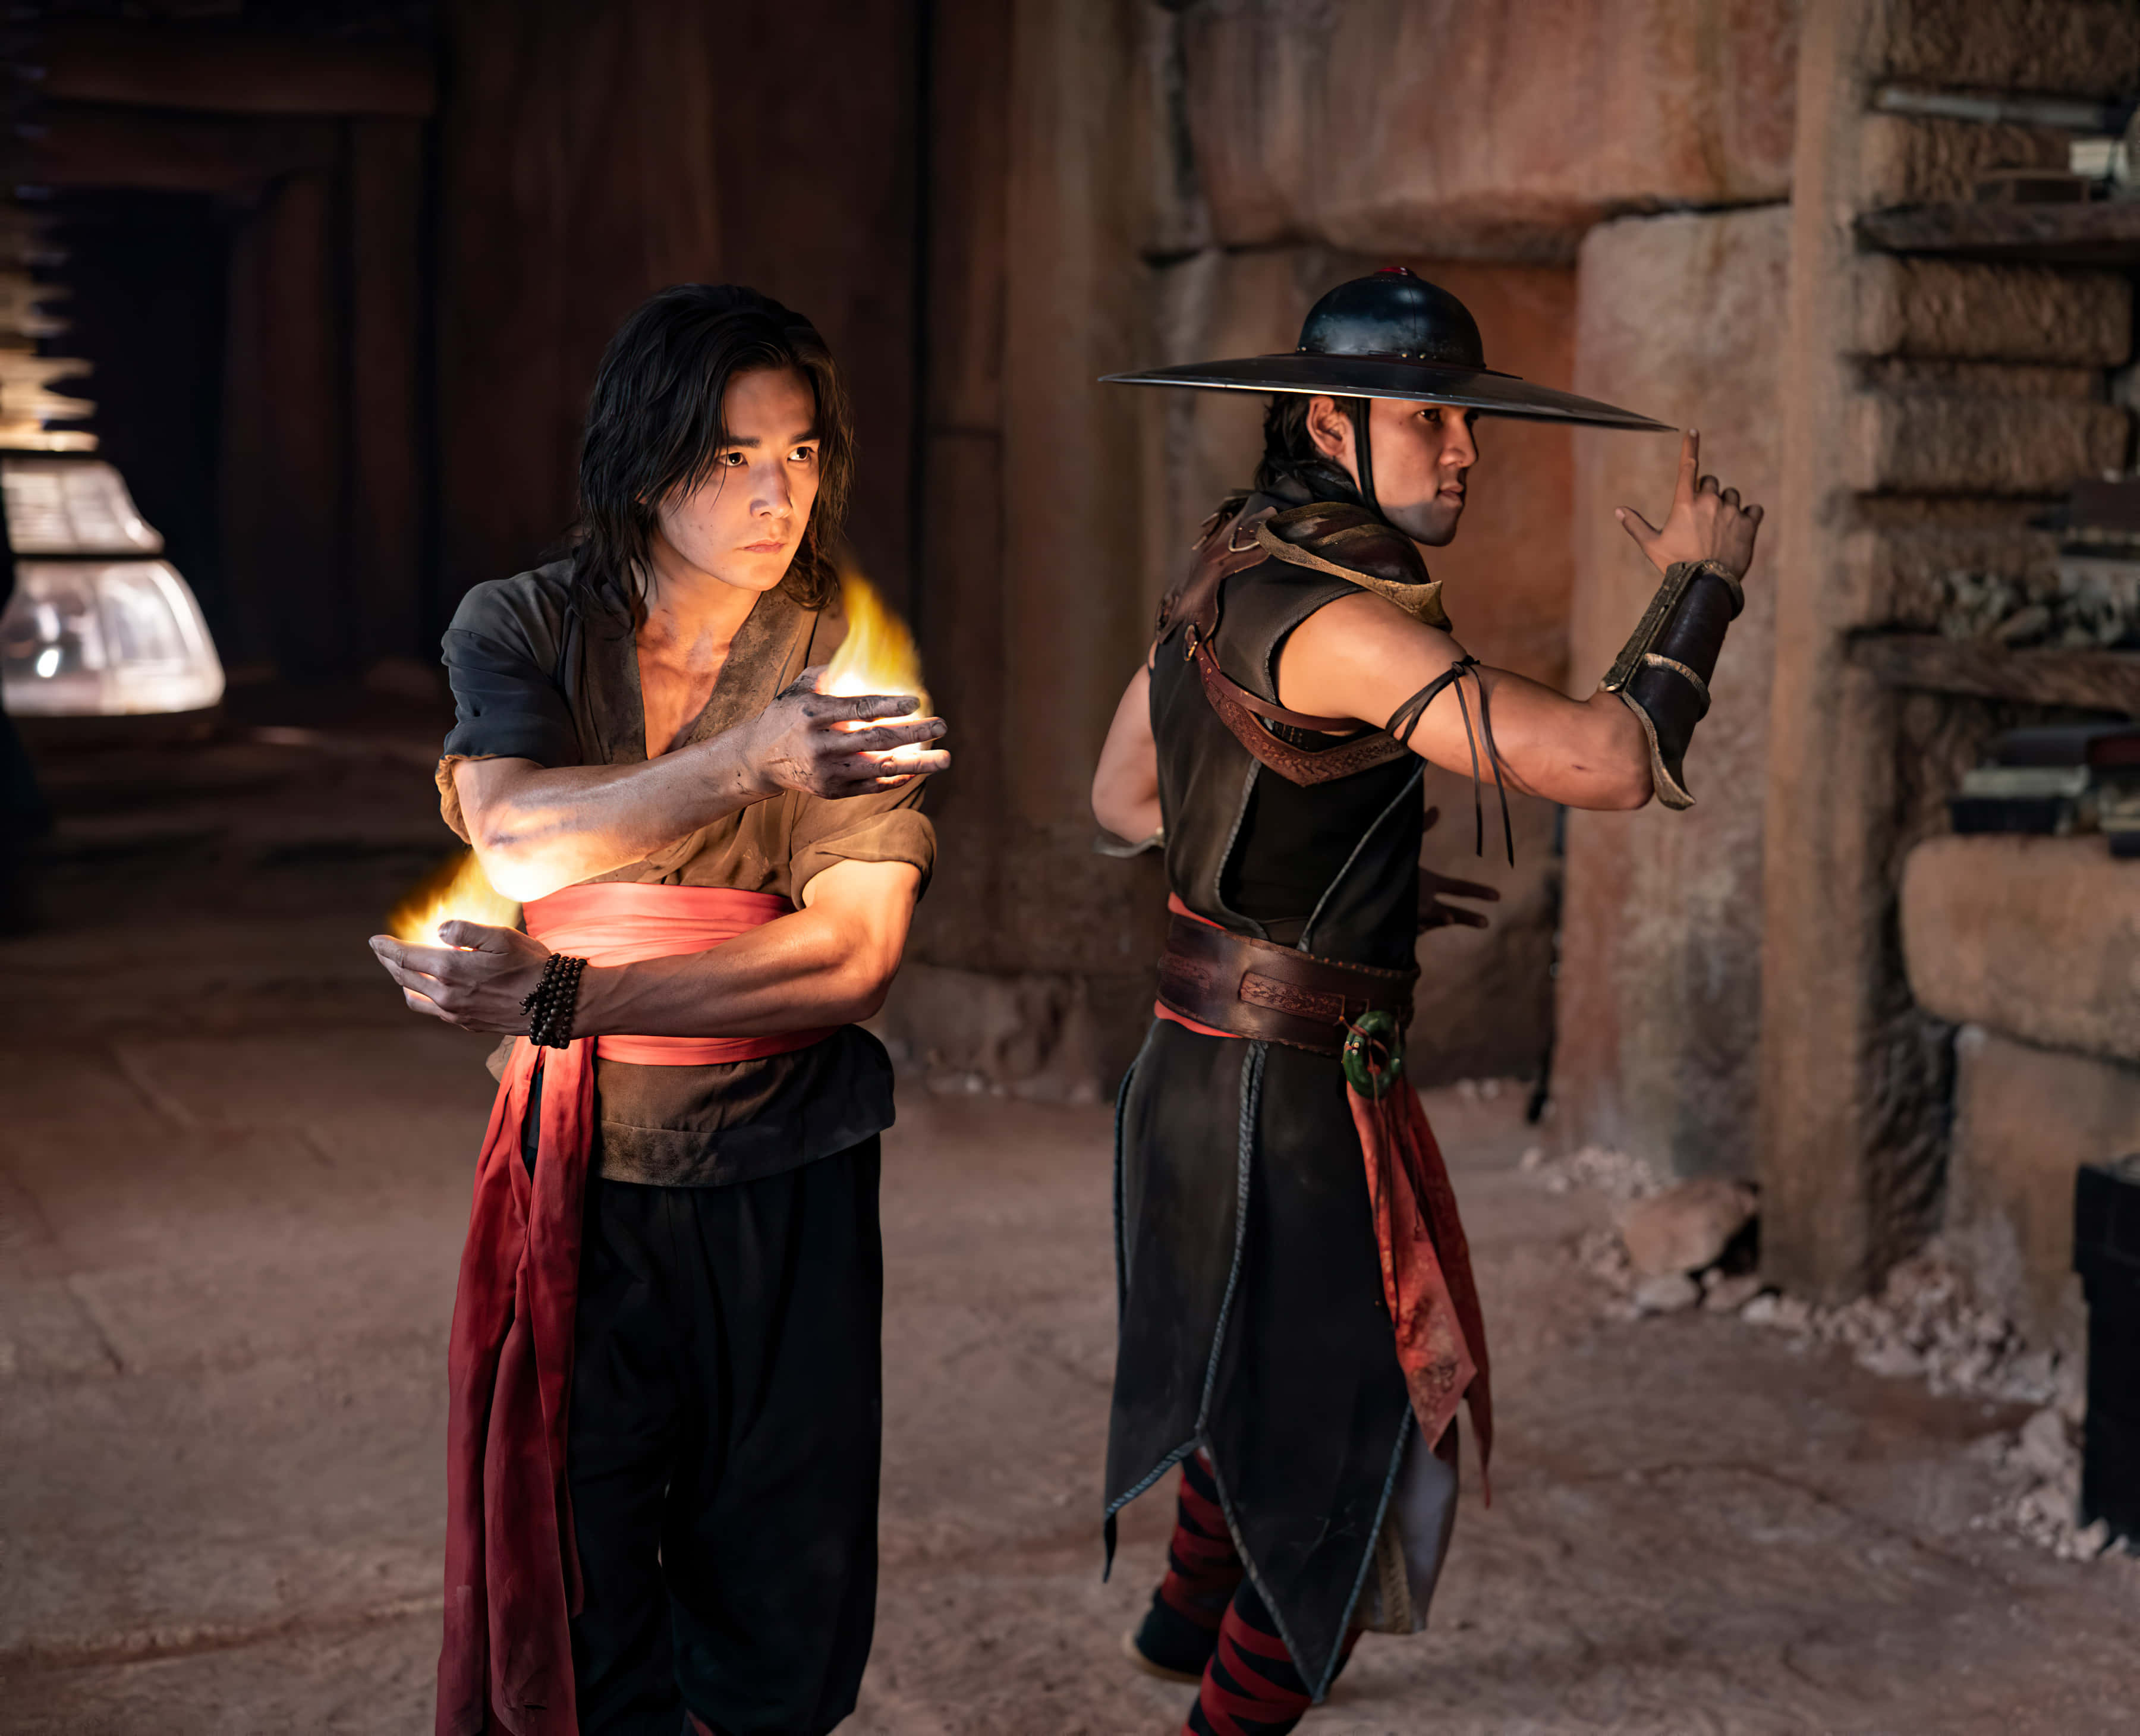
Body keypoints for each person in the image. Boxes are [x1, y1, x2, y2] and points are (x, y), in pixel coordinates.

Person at [1091, 266, 1763, 1735]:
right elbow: (1604, 761)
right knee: (1361, 1450)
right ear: (1329, 423)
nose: (1465, 450)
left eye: (1468, 420)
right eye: (1427, 420)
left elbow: (1126, 795)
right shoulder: (1341, 623)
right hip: (1285, 1107)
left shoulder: (1235, 558)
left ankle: (1177, 1620)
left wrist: (1325, 881)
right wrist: (1701, 583)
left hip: (1196, 1068)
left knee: (1248, 1363)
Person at [369, 284, 949, 1736]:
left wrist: (569, 986)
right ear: (645, 467)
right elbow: (519, 843)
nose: (776, 496)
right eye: (732, 457)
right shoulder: (521, 622)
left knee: (780, 1592)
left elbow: (851, 957)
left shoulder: (845, 657)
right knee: (573, 1564)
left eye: (800, 454)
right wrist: (751, 764)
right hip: (580, 1165)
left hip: (787, 1167)